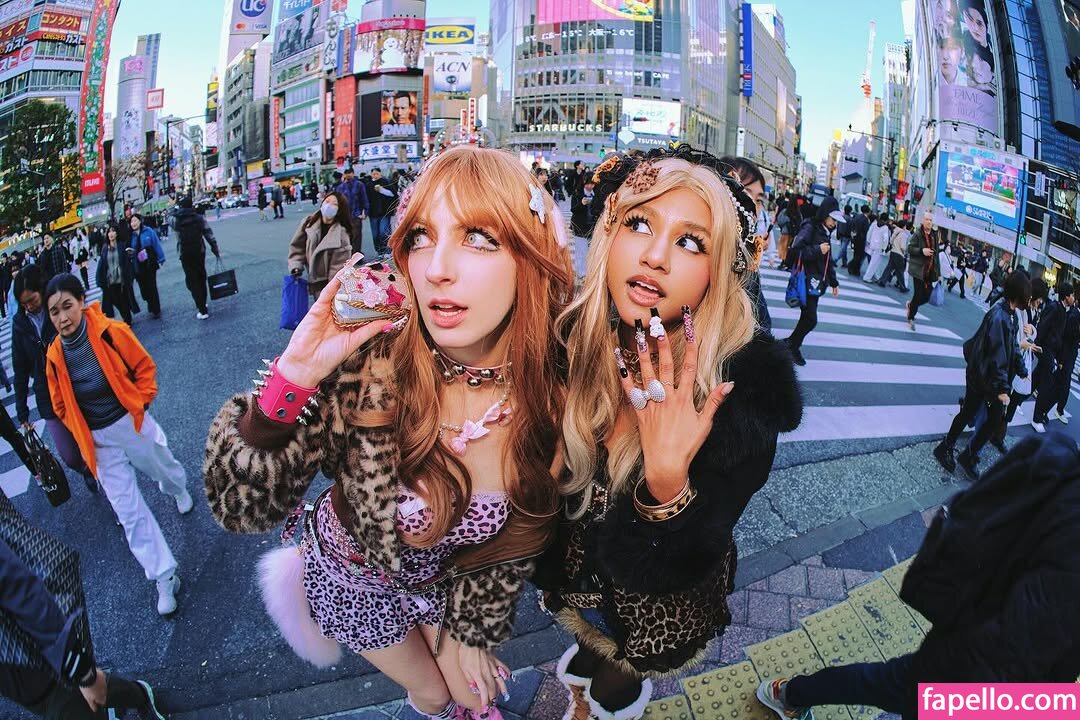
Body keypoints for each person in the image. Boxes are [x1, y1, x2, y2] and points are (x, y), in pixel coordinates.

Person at [204, 145, 575, 719]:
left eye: (478, 238)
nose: (436, 268)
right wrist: (293, 378)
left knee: (474, 694)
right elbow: (239, 508)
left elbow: (527, 525)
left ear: (532, 257)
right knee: (435, 695)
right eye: (422, 236)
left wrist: (473, 620)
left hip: (441, 585)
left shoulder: (553, 391)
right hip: (350, 578)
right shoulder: (375, 363)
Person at [534, 145, 802, 720]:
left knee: (615, 683)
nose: (655, 256)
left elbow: (696, 549)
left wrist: (666, 483)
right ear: (609, 235)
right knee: (585, 646)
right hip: (574, 577)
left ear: (719, 272)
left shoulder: (740, 396)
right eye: (639, 224)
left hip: (653, 611)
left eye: (690, 242)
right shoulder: (568, 342)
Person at [759, 432, 1080, 720]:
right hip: (977, 679)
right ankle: (789, 693)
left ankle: (791, 693)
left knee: (883, 682)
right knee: (883, 683)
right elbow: (1018, 642)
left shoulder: (1066, 482)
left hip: (976, 640)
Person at [44, 274, 192, 615]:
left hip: (130, 422)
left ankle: (177, 488)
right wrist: (78, 430)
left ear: (81, 301)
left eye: (67, 306)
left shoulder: (110, 331)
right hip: (98, 441)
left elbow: (143, 366)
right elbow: (59, 403)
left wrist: (142, 402)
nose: (63, 318)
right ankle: (164, 576)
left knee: (163, 468)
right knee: (128, 512)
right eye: (55, 312)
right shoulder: (54, 356)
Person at [0, 495, 169, 720]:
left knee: (76, 699)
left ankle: (136, 695)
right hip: (15, 674)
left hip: (33, 653)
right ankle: (134, 694)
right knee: (85, 695)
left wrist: (81, 671)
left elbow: (22, 591)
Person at [933, 269, 1029, 478]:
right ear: (1019, 294)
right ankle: (948, 448)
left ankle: (967, 454)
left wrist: (1021, 368)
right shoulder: (1000, 315)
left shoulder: (1010, 314)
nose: (1028, 299)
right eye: (1027, 294)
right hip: (981, 374)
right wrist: (1002, 389)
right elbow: (997, 355)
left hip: (987, 375)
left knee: (990, 417)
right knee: (972, 412)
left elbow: (1012, 346)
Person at [12, 266, 97, 492]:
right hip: (48, 395)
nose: (29, 307)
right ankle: (85, 468)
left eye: (32, 300)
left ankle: (107, 478)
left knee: (94, 440)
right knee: (69, 455)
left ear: (41, 289)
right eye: (24, 304)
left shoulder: (57, 309)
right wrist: (22, 412)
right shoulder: (20, 324)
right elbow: (20, 368)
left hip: (76, 383)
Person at [783, 197, 843, 366]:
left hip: (815, 283)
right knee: (810, 319)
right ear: (825, 214)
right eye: (833, 219)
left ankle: (791, 344)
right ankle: (792, 345)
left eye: (836, 220)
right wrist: (818, 250)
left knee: (807, 318)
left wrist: (834, 282)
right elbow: (796, 251)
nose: (835, 223)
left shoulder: (825, 231)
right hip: (806, 280)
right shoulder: (810, 227)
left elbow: (828, 260)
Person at [718, 155, 773, 334]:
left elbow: (762, 323)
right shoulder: (697, 248)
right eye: (745, 192)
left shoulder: (744, 256)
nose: (753, 205)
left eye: (759, 199)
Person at [287, 191, 354, 300]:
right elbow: (298, 247)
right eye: (327, 201)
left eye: (334, 204)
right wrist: (296, 266)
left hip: (327, 284)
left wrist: (331, 292)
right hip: (312, 280)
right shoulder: (308, 223)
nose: (329, 206)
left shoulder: (341, 234)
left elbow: (338, 267)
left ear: (339, 210)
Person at [1030, 282, 1075, 432]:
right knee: (1046, 384)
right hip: (1046, 349)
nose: (1073, 298)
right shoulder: (1055, 308)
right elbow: (1043, 326)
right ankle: (1036, 418)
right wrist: (1038, 345)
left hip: (1053, 351)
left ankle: (1015, 401)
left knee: (1036, 379)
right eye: (1072, 295)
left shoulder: (1065, 310)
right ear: (1066, 296)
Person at [173, 196, 222, 320]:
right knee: (201, 277)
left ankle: (200, 306)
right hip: (199, 251)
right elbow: (208, 233)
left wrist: (172, 205)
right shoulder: (198, 218)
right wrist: (214, 247)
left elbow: (168, 217)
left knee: (191, 280)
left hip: (185, 253)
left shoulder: (176, 219)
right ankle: (203, 303)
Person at [905, 209, 941, 331]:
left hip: (930, 271)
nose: (929, 222)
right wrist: (922, 251)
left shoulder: (935, 235)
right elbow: (910, 248)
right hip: (919, 270)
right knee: (918, 294)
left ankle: (911, 305)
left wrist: (938, 272)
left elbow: (936, 255)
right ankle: (911, 317)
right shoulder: (917, 234)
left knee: (927, 297)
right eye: (927, 219)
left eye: (930, 220)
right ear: (923, 220)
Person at [95, 224, 136, 326]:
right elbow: (102, 264)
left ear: (117, 233)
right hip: (110, 281)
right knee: (115, 301)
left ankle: (127, 319)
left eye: (113, 231)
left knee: (123, 300)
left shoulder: (122, 246)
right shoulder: (105, 248)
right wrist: (100, 279)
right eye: (109, 232)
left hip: (121, 280)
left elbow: (127, 262)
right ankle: (125, 315)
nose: (111, 234)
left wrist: (130, 276)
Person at [128, 213, 165, 320]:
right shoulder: (130, 235)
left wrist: (161, 258)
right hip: (137, 265)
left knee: (152, 286)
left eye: (135, 221)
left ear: (140, 221)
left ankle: (156, 309)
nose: (133, 223)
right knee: (144, 289)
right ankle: (149, 302)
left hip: (149, 263)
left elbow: (156, 244)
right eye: (131, 222)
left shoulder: (148, 231)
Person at [335, 168, 369, 255]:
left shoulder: (359, 185)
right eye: (346, 173)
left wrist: (365, 211)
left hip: (356, 213)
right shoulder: (340, 187)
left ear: (353, 173)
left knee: (357, 236)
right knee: (347, 235)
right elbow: (338, 201)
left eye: (349, 173)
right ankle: (348, 255)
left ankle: (356, 255)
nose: (348, 175)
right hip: (344, 215)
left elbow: (364, 198)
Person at [366, 167, 398, 256]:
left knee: (384, 232)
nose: (375, 175)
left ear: (380, 174)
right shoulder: (369, 185)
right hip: (373, 213)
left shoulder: (386, 182)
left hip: (385, 212)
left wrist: (382, 190)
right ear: (371, 174)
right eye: (373, 174)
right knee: (375, 234)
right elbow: (366, 199)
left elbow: (393, 194)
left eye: (377, 173)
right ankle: (379, 251)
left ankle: (387, 250)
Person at [862, 214, 891, 283]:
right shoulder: (885, 227)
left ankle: (876, 276)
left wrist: (868, 241)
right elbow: (885, 239)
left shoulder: (874, 224)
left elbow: (869, 232)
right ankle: (867, 277)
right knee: (874, 263)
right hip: (879, 247)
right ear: (886, 220)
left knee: (873, 262)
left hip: (872, 244)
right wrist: (884, 247)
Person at [846, 204, 871, 276]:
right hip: (861, 239)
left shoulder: (857, 217)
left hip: (855, 237)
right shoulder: (865, 219)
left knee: (856, 254)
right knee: (859, 256)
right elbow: (865, 231)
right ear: (868, 211)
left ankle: (855, 270)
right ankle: (852, 266)